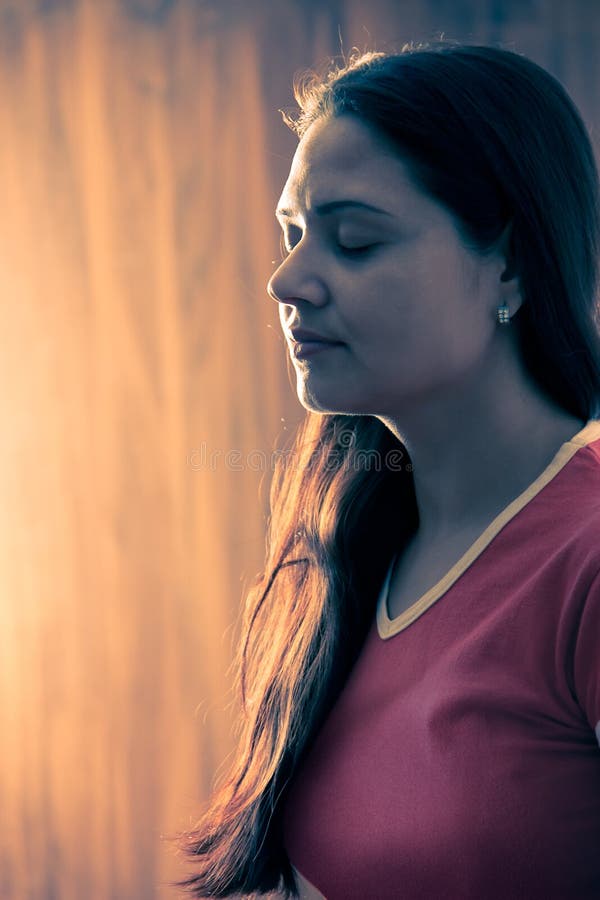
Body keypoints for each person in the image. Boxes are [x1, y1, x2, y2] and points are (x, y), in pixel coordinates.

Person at [173, 41, 600, 899]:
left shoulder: (585, 561)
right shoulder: (358, 523)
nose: (286, 281)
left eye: (356, 241)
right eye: (293, 235)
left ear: (509, 266)